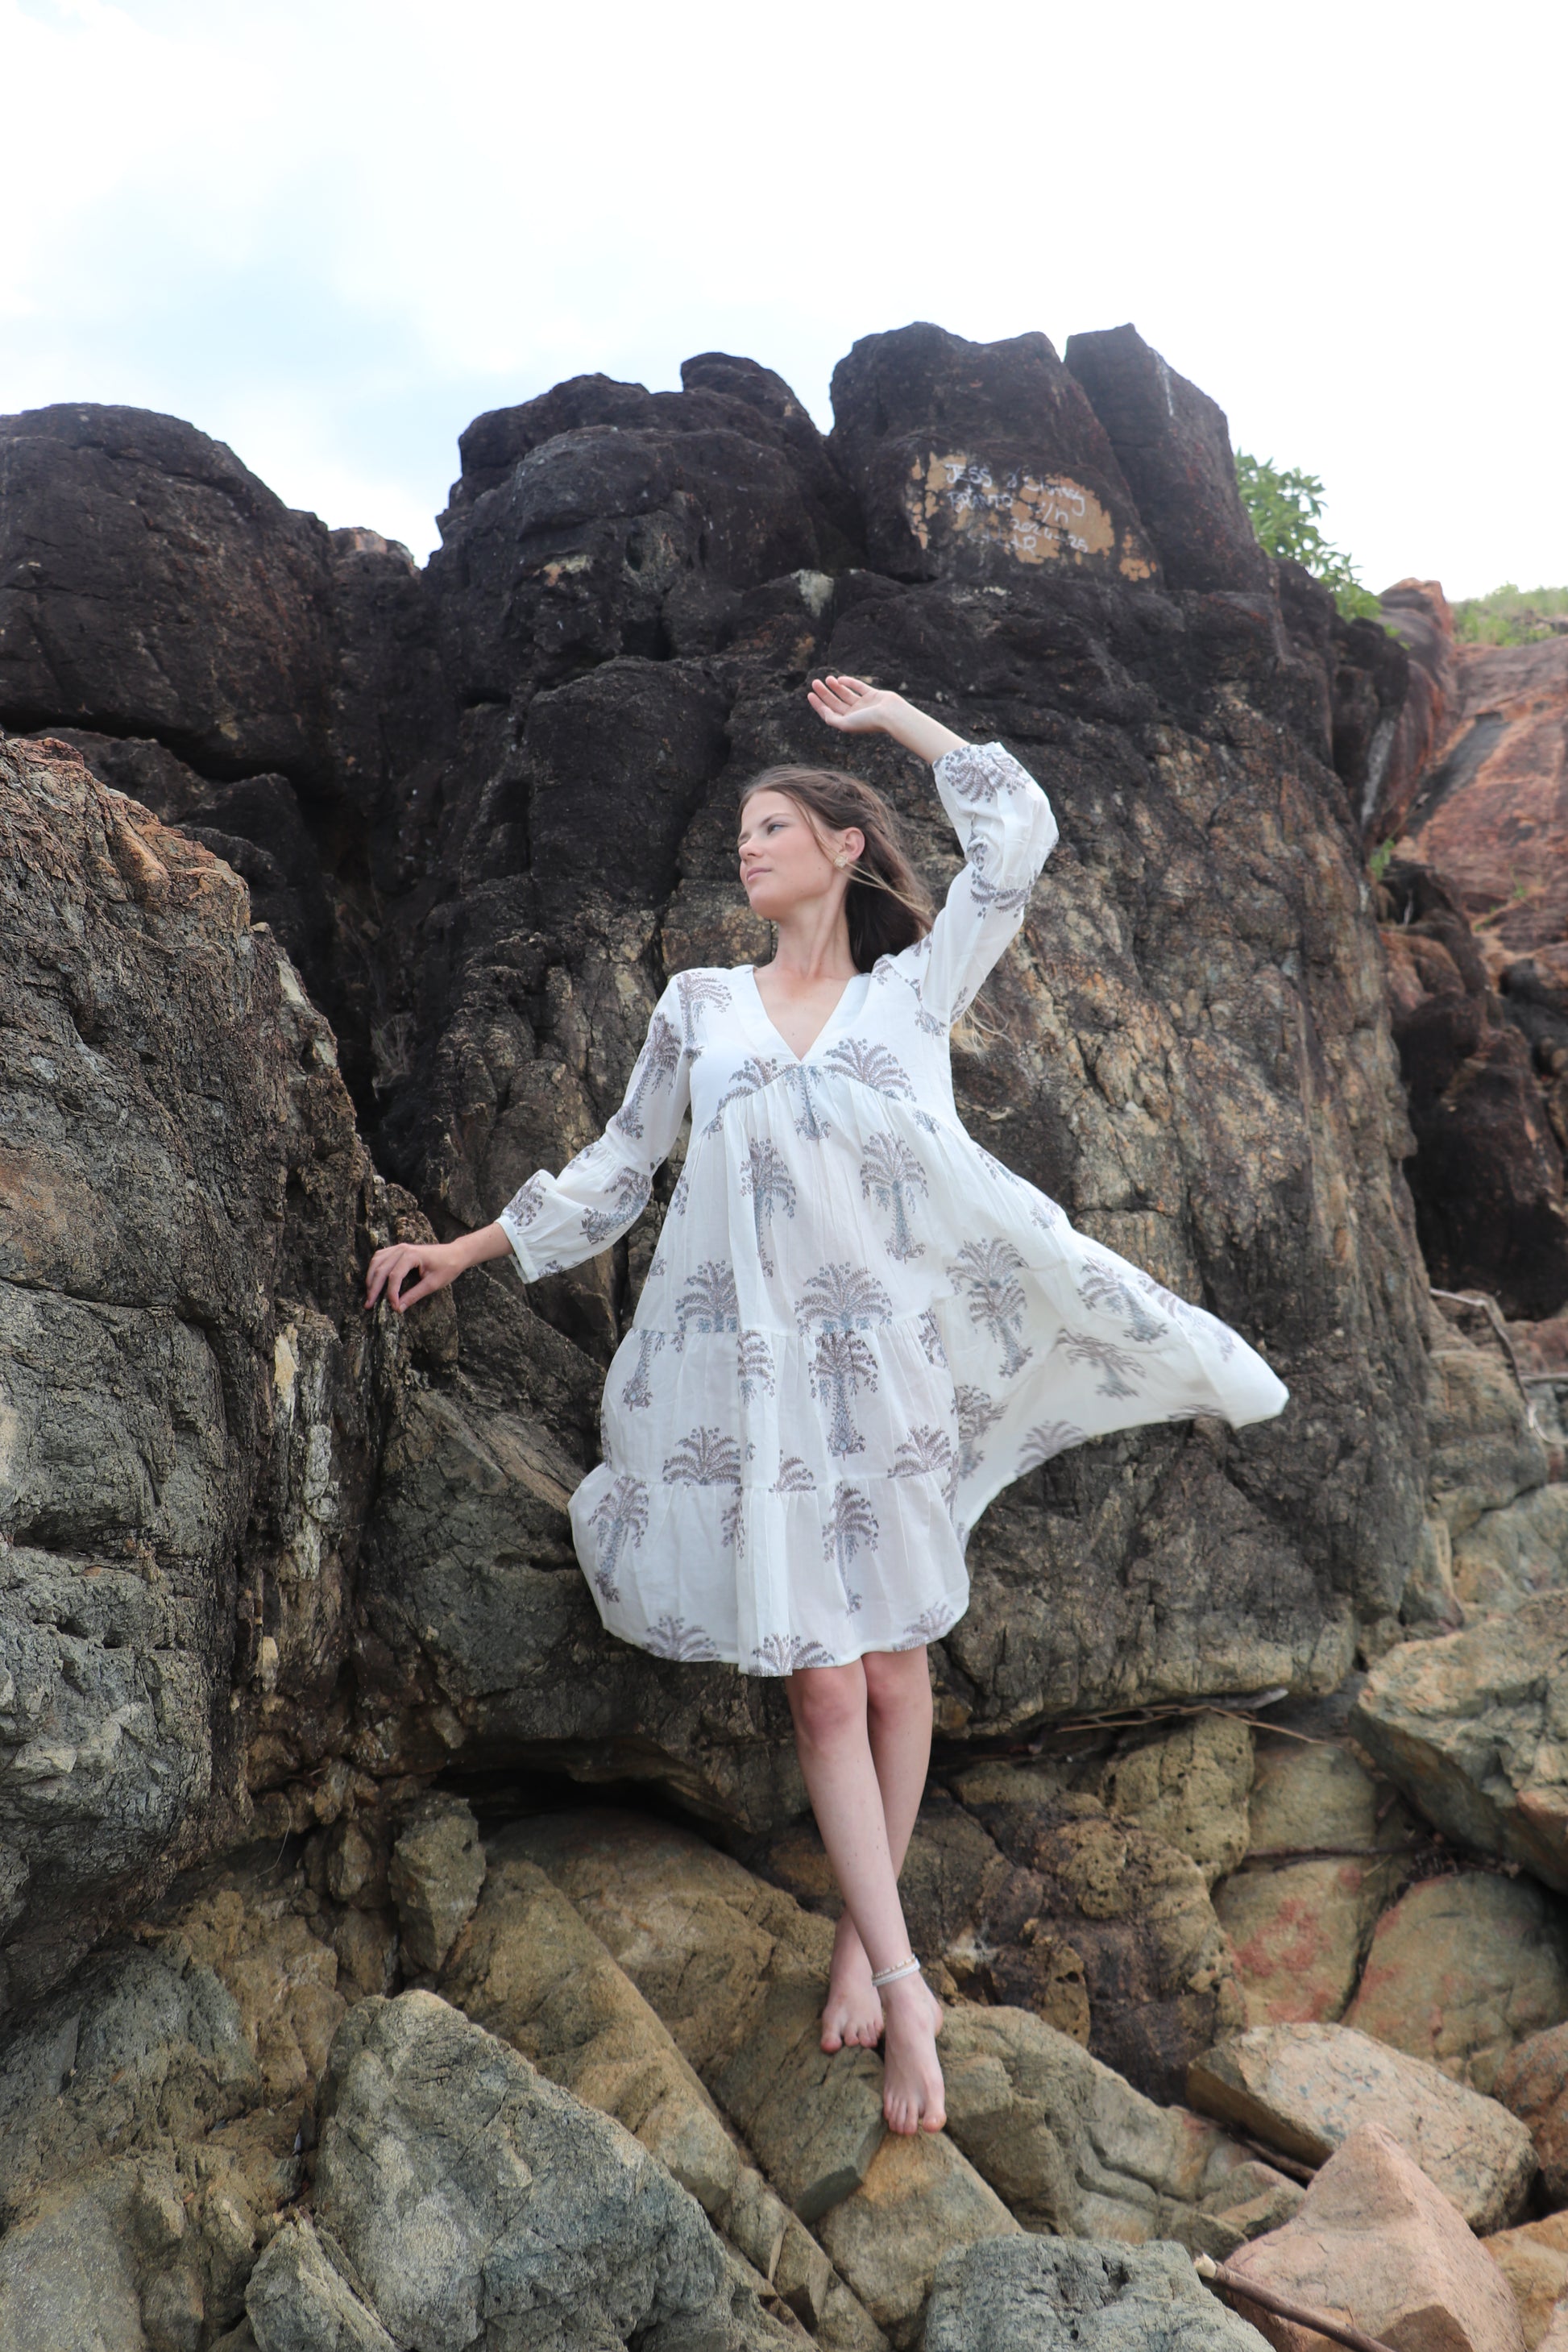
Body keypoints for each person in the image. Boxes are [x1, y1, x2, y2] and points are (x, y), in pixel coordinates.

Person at [365, 674, 1289, 2137]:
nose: (747, 845)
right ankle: (911, 1984)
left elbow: (1018, 838)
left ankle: (869, 1940)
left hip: (888, 1369)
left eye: (775, 824)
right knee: (819, 1679)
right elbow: (617, 1171)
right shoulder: (700, 1005)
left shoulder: (913, 990)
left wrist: (902, 724)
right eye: (739, 829)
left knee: (898, 1668)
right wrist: (467, 1250)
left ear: (845, 847)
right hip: (751, 1376)